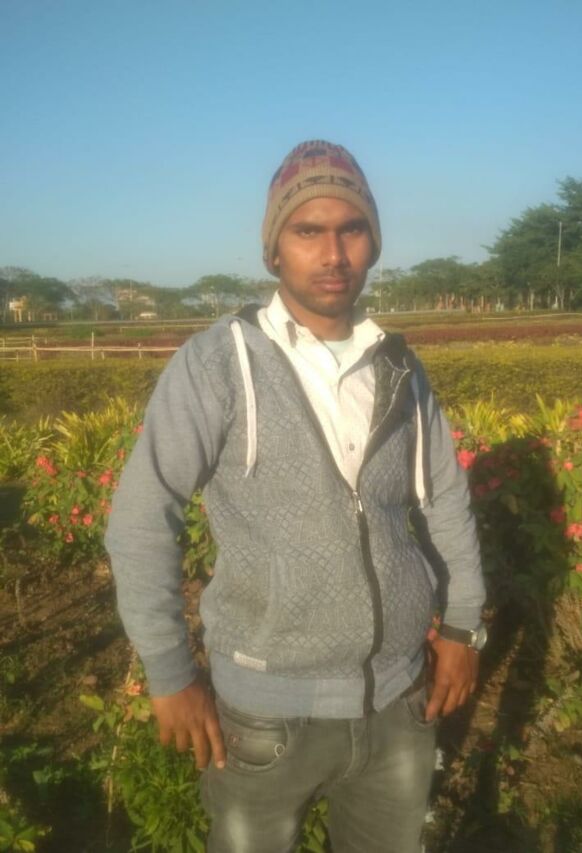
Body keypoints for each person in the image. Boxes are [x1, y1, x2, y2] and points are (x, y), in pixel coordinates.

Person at [105, 140, 486, 853]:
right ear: (274, 249)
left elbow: (444, 499)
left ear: (374, 242)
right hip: (265, 712)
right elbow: (141, 520)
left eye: (352, 229)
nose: (333, 253)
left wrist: (464, 628)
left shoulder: (399, 366)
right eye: (308, 230)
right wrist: (169, 671)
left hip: (400, 700)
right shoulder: (218, 364)